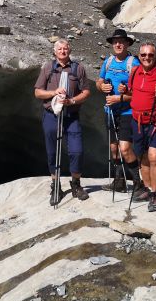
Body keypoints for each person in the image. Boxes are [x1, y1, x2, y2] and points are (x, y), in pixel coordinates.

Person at [34, 39, 91, 205]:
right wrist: (54, 93)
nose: (63, 51)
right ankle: (56, 185)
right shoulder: (48, 67)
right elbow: (38, 92)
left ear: (69, 51)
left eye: (65, 48)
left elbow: (86, 92)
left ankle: (76, 184)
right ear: (55, 51)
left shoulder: (78, 68)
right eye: (59, 49)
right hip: (51, 115)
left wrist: (71, 101)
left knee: (77, 151)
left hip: (71, 115)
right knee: (52, 151)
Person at [123, 42, 156, 212]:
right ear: (139, 56)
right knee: (143, 157)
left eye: (150, 55)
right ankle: (147, 188)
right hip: (137, 120)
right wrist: (124, 91)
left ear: (155, 56)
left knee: (154, 156)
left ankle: (155, 193)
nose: (147, 58)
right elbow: (132, 92)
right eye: (143, 55)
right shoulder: (135, 71)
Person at [95, 29, 142, 194]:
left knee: (125, 148)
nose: (118, 44)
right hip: (110, 112)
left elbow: (140, 92)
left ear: (127, 43)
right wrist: (102, 87)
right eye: (115, 42)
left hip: (127, 112)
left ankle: (138, 183)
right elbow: (99, 81)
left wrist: (120, 98)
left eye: (121, 41)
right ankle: (119, 181)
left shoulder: (134, 63)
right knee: (114, 149)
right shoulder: (108, 62)